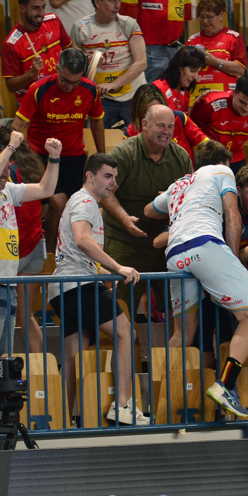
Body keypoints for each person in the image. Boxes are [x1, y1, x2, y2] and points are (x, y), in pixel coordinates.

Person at [145, 140, 248, 418]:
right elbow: (233, 217)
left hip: (175, 255)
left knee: (182, 334)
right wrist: (233, 261)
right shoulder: (222, 172)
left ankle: (158, 397)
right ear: (224, 162)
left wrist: (174, 200)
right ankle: (226, 385)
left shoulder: (179, 184)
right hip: (204, 245)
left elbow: (149, 211)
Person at [52, 152, 150, 426]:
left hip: (63, 289)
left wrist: (104, 271)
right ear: (90, 176)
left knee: (74, 355)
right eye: (107, 176)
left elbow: (75, 248)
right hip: (80, 287)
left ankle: (65, 417)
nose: (112, 183)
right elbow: (83, 241)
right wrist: (118, 267)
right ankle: (122, 406)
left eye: (115, 177)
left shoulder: (79, 201)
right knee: (125, 333)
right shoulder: (85, 202)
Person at [97, 104, 193, 318]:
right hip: (125, 243)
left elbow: (191, 199)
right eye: (160, 125)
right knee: (118, 313)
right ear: (144, 125)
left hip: (166, 247)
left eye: (170, 126)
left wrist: (173, 200)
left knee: (178, 312)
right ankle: (124, 352)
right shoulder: (124, 153)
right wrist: (124, 219)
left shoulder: (181, 157)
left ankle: (173, 352)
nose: (166, 131)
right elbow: (105, 192)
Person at [12, 48, 103, 246]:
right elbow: (18, 125)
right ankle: (52, 256)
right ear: (57, 69)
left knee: (83, 203)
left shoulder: (90, 90)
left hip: (73, 156)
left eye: (75, 82)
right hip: (40, 156)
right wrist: (13, 154)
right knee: (58, 201)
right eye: (65, 81)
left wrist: (101, 156)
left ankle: (77, 251)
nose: (70, 87)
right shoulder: (39, 89)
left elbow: (96, 122)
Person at [0, 131, 59, 355]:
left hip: (8, 282)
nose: (7, 172)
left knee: (5, 354)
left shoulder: (9, 191)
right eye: (4, 166)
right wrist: (11, 147)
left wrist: (54, 159)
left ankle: (20, 385)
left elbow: (46, 190)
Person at [68, 0, 148, 128]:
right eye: (112, 0)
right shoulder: (80, 28)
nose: (117, 6)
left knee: (139, 140)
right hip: (101, 99)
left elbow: (141, 62)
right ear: (97, 2)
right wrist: (85, 58)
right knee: (95, 141)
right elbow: (72, 58)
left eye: (119, 0)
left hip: (133, 97)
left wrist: (114, 84)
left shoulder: (129, 24)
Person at [190, 73, 248, 173]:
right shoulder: (209, 105)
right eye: (242, 102)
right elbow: (189, 136)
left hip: (235, 157)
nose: (246, 108)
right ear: (234, 93)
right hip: (207, 158)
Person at [3, 0, 72, 97]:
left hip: (60, 92)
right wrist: (31, 73)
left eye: (43, 7)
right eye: (35, 8)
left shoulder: (54, 20)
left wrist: (85, 56)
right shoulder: (11, 44)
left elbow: (70, 48)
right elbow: (11, 86)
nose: (41, 13)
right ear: (22, 8)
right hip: (33, 100)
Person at [185, 0, 247, 97]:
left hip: (224, 95)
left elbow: (240, 69)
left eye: (209, 17)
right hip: (196, 96)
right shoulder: (192, 40)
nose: (205, 21)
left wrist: (216, 62)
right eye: (201, 16)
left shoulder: (233, 37)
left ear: (221, 15)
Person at [126, 84, 210, 160]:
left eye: (158, 110)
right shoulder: (132, 131)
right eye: (147, 112)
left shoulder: (180, 119)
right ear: (138, 112)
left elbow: (207, 146)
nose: (154, 116)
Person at [153, 45, 205, 113]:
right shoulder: (158, 88)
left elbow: (183, 121)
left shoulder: (184, 91)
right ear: (179, 68)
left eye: (198, 72)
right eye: (192, 71)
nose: (196, 77)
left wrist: (196, 104)